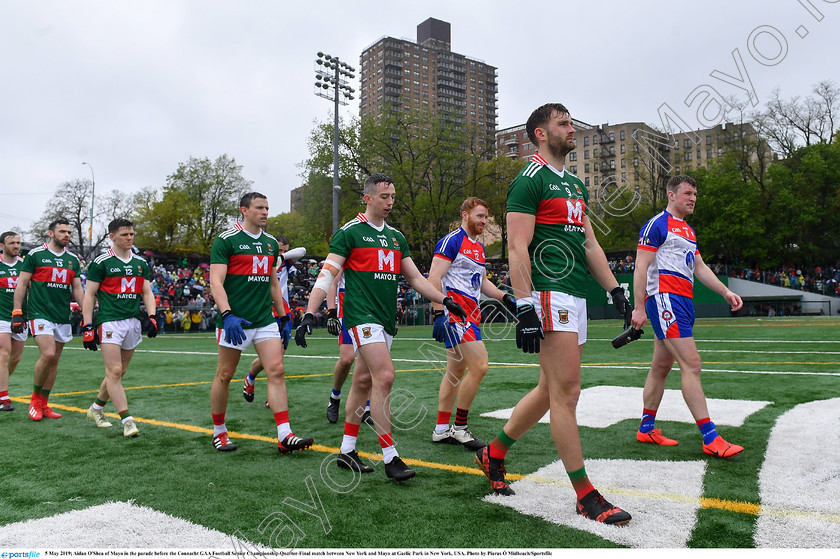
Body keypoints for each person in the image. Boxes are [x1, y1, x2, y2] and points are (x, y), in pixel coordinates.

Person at [476, 103, 633, 526]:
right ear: (540, 134)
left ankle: (493, 452)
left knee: (550, 390)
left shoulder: (575, 185)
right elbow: (516, 247)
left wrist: (616, 290)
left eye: (571, 122)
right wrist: (525, 305)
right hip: (549, 295)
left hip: (575, 296)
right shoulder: (529, 179)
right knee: (567, 394)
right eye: (563, 124)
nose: (572, 129)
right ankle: (585, 495)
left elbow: (590, 246)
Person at [295, 173, 466, 482]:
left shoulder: (396, 237)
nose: (390, 202)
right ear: (368, 198)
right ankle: (391, 456)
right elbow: (327, 275)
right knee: (385, 377)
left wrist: (444, 300)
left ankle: (346, 452)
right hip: (361, 317)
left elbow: (415, 279)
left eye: (393, 197)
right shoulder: (349, 233)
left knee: (362, 382)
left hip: (386, 321)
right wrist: (310, 312)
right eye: (384, 197)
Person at [631, 175, 744, 458]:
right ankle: (710, 437)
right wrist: (639, 307)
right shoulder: (657, 224)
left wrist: (724, 292)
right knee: (692, 364)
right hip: (665, 300)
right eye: (688, 193)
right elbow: (640, 267)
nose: (693, 198)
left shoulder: (688, 231)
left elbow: (700, 267)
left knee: (661, 367)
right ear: (671, 195)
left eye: (695, 194)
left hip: (682, 301)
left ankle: (646, 428)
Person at [208, 192, 312, 454]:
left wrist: (284, 315)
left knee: (276, 370)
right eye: (259, 208)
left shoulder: (269, 243)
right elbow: (216, 282)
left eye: (267, 207)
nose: (265, 212)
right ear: (244, 210)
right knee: (224, 375)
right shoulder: (226, 240)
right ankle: (219, 431)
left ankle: (284, 434)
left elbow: (273, 283)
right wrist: (227, 314)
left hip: (265, 319)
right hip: (235, 319)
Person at [427, 197, 517, 450]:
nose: (484, 221)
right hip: (456, 315)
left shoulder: (478, 247)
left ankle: (442, 429)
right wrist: (438, 314)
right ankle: (460, 427)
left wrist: (503, 297)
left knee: (455, 372)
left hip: (470, 315)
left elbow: (483, 282)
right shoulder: (451, 240)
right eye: (479, 216)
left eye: (486, 217)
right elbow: (434, 277)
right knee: (480, 365)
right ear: (465, 214)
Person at [82, 218, 158, 438]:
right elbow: (89, 294)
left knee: (120, 371)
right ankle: (127, 420)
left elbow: (147, 292)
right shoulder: (101, 262)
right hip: (109, 321)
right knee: (114, 371)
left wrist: (152, 316)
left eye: (131, 234)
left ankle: (96, 409)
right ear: (112, 237)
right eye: (125, 235)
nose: (129, 238)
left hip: (132, 321)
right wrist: (88, 324)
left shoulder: (141, 263)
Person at [11, 219, 84, 421]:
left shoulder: (72, 260)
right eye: (62, 231)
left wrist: (87, 314)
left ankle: (44, 404)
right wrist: (17, 310)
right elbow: (22, 283)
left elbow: (77, 288)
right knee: (48, 353)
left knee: (54, 361)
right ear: (51, 233)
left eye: (68, 232)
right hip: (39, 313)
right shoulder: (36, 255)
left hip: (62, 315)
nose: (66, 235)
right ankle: (34, 400)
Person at [242, 236, 303, 406]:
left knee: (278, 357)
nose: (282, 253)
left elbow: (302, 251)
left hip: (283, 312)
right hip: (265, 311)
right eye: (279, 249)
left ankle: (264, 389)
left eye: (284, 250)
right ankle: (252, 378)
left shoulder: (284, 262)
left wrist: (282, 256)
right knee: (270, 357)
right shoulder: (262, 259)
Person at [324, 270, 371, 425]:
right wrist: (331, 312)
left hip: (369, 310)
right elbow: (332, 282)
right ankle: (335, 397)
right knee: (347, 359)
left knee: (370, 360)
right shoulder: (347, 250)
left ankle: (367, 407)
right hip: (347, 310)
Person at [0, 232, 26, 412]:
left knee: (15, 358)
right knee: (4, 354)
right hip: (1, 317)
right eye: (12, 243)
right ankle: (4, 397)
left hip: (20, 317)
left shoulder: (25, 266)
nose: (16, 246)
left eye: (18, 243)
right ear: (2, 246)